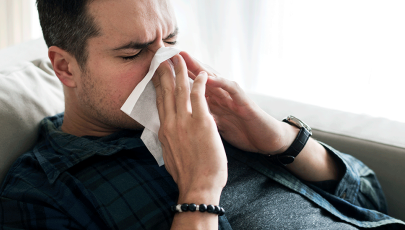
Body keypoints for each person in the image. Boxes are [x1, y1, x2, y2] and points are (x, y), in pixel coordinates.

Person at [0, 0, 404, 229]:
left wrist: (279, 140)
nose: (167, 66)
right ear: (65, 67)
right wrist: (199, 192)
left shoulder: (217, 118)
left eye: (172, 40)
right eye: (133, 52)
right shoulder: (41, 194)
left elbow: (371, 198)